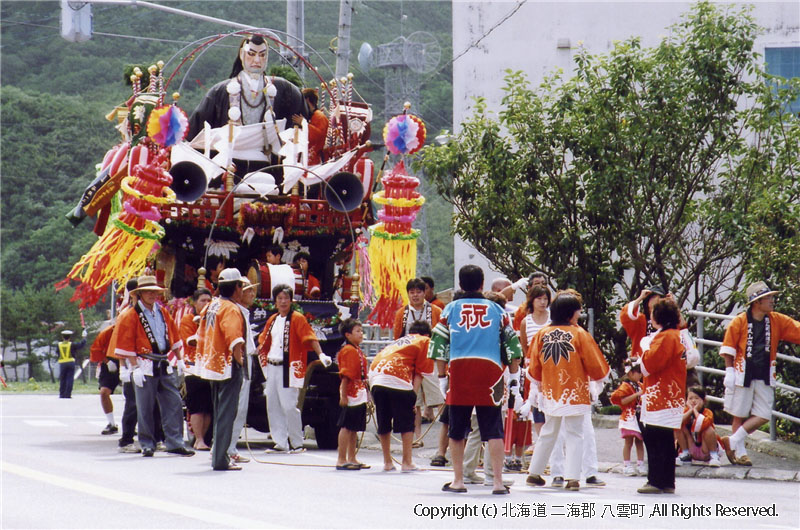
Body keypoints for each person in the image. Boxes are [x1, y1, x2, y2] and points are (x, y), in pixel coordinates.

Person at [430, 265, 522, 495]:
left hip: (459, 373)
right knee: (493, 430)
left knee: (457, 430)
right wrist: (513, 376)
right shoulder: (497, 310)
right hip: (490, 375)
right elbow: (512, 344)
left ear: (460, 284)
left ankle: (459, 480)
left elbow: (439, 344)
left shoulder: (450, 309)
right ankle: (498, 482)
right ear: (482, 285)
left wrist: (442, 377)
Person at [187, 34, 307, 182]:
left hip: (267, 164)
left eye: (262, 55)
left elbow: (302, 124)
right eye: (251, 54)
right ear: (242, 54)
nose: (257, 60)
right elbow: (195, 131)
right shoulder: (221, 91)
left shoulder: (284, 89)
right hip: (230, 164)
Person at [523, 291, 610, 492]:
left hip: (551, 391)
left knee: (548, 432)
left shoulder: (542, 334)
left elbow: (534, 368)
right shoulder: (579, 334)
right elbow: (595, 365)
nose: (579, 315)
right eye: (577, 312)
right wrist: (597, 382)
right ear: (571, 313)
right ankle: (572, 478)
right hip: (575, 391)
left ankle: (534, 473)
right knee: (575, 433)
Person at [111, 275, 194, 458]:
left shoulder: (163, 312)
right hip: (144, 362)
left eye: (154, 291)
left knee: (173, 403)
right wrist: (134, 367)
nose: (152, 294)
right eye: (148, 291)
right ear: (140, 293)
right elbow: (126, 342)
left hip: (164, 361)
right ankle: (147, 443)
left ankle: (175, 442)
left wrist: (179, 360)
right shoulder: (130, 315)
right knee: (145, 406)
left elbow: (173, 336)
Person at [719, 281, 800, 466]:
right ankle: (740, 452)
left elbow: (797, 329)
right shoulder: (739, 321)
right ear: (757, 302)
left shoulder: (776, 320)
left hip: (764, 372)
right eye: (768, 298)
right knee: (739, 414)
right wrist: (729, 370)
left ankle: (731, 441)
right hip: (742, 372)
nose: (772, 300)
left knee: (763, 413)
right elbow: (728, 347)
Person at [257, 284, 328, 453]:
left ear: (291, 301)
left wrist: (321, 354)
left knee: (289, 405)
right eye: (279, 298)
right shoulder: (272, 319)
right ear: (275, 301)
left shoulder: (297, 318)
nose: (283, 302)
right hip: (272, 366)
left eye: (286, 298)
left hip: (288, 367)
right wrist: (256, 350)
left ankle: (296, 442)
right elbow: (264, 341)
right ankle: (280, 442)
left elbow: (310, 337)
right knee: (272, 405)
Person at [195, 268, 246, 471]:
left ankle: (218, 454)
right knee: (227, 413)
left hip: (211, 364)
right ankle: (220, 459)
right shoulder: (231, 308)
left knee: (219, 411)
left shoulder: (212, 305)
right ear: (237, 287)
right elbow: (234, 339)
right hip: (227, 366)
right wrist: (241, 362)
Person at [369, 321, 434, 472]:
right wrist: (413, 395)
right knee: (406, 422)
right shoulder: (424, 340)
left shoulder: (398, 342)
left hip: (376, 377)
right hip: (396, 377)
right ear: (426, 335)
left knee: (383, 421)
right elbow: (420, 372)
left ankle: (387, 462)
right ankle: (407, 462)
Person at [637, 298, 686, 494]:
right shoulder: (680, 335)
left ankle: (655, 480)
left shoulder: (665, 337)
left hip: (661, 393)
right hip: (674, 392)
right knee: (665, 438)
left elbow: (649, 365)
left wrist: (639, 358)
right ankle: (667, 481)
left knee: (654, 436)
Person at [393, 278, 443, 446]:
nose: (415, 295)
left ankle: (447, 439)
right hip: (410, 360)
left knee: (440, 397)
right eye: (412, 292)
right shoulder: (402, 313)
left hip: (431, 358)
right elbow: (396, 338)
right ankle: (416, 438)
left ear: (425, 293)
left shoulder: (435, 311)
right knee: (414, 401)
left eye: (418, 292)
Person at [228, 277, 259, 465]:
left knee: (240, 409)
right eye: (248, 290)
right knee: (235, 408)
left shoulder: (244, 312)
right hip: (239, 362)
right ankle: (226, 447)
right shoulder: (236, 311)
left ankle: (230, 447)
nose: (252, 294)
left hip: (245, 359)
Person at [179, 288, 213, 451]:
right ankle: (198, 438)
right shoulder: (188, 319)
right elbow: (191, 341)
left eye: (209, 301)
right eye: (202, 301)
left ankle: (203, 439)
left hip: (210, 366)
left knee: (208, 406)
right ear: (194, 303)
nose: (206, 304)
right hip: (193, 367)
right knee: (197, 405)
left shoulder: (213, 319)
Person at [335, 318, 369, 470]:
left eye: (361, 331)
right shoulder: (348, 350)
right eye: (357, 331)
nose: (361, 334)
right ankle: (341, 459)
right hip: (351, 393)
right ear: (348, 335)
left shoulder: (357, 349)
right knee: (346, 426)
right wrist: (343, 395)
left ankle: (352, 457)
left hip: (359, 391)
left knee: (354, 427)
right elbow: (345, 376)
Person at [609, 359, 646, 476]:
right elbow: (623, 401)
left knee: (640, 441)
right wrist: (637, 395)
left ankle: (640, 463)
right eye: (638, 372)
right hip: (629, 417)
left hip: (639, 416)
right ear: (630, 373)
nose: (641, 375)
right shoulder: (625, 386)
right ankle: (627, 464)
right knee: (628, 441)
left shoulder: (640, 385)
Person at [675, 386, 721, 467]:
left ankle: (714, 456)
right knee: (679, 427)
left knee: (708, 429)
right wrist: (690, 411)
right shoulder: (686, 411)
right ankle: (685, 454)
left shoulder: (708, 412)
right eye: (690, 398)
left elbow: (703, 423)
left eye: (696, 398)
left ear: (703, 400)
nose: (693, 401)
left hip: (705, 448)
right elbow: (677, 422)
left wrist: (695, 411)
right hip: (691, 447)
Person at [90, 322, 119, 435]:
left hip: (129, 361)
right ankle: (111, 423)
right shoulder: (107, 332)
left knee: (133, 397)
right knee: (104, 392)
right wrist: (107, 361)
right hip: (110, 361)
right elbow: (95, 350)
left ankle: (133, 424)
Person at [292, 88, 329, 165]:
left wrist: (303, 123)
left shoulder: (320, 116)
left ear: (307, 100)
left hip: (313, 160)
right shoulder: (309, 115)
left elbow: (318, 135)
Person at [57, 329, 86, 399]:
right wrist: (84, 337)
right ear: (69, 337)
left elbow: (57, 352)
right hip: (70, 362)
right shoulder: (72, 344)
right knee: (69, 379)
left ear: (62, 337)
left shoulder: (59, 345)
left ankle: (62, 394)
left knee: (62, 379)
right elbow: (81, 345)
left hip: (62, 363)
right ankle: (68, 394)